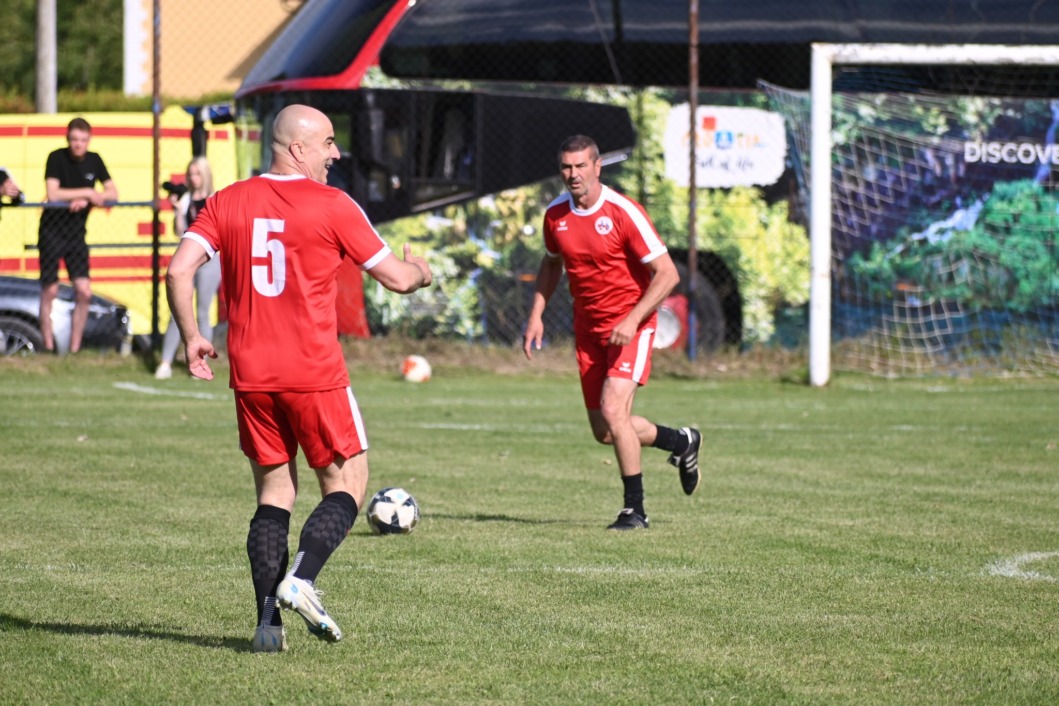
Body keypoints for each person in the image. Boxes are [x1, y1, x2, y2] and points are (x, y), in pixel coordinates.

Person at [165, 104, 432, 653]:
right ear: (298, 148)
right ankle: (302, 578)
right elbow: (398, 280)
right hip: (313, 372)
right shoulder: (333, 204)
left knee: (274, 493)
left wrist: (192, 335)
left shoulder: (227, 200)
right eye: (328, 142)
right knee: (348, 484)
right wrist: (422, 271)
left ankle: (267, 625)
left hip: (250, 375)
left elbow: (178, 269)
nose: (336, 153)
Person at [522, 135, 702, 531]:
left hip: (631, 326)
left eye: (581, 166)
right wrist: (536, 313)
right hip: (589, 331)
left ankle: (634, 510)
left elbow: (667, 274)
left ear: (597, 166)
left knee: (614, 410)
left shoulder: (623, 212)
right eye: (566, 167)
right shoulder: (555, 215)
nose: (573, 174)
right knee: (605, 432)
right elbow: (551, 263)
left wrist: (633, 319)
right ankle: (681, 442)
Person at [38, 117, 119, 353]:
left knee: (84, 291)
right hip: (51, 232)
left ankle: (74, 349)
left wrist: (88, 199)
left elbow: (113, 193)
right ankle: (48, 347)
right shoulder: (56, 157)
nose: (78, 144)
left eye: (83, 140)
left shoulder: (95, 160)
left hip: (76, 235)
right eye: (74, 139)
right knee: (50, 290)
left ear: (89, 140)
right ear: (68, 139)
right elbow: (53, 193)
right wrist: (87, 193)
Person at [155, 157, 220, 379]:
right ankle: (165, 362)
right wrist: (177, 211)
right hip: (189, 259)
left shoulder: (214, 200)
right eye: (190, 173)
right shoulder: (186, 199)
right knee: (179, 310)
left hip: (210, 261)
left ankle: (201, 363)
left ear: (205, 175)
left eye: (197, 173)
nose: (193, 178)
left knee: (202, 312)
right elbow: (180, 232)